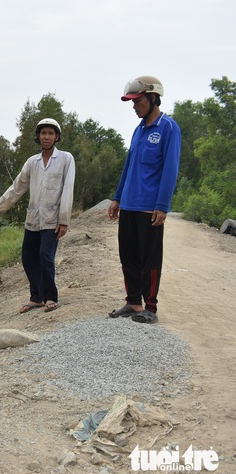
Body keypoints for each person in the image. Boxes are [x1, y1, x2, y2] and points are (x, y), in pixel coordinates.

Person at [0, 118, 75, 313]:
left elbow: (68, 189)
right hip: (33, 219)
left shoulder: (66, 159)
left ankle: (51, 297)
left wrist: (64, 220)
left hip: (52, 219)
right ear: (38, 137)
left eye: (50, 133)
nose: (46, 137)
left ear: (56, 136)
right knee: (28, 257)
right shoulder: (33, 162)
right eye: (43, 133)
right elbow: (17, 188)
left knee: (45, 256)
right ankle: (37, 297)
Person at [107, 76, 181, 324]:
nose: (134, 106)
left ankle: (150, 306)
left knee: (149, 259)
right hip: (128, 204)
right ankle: (133, 302)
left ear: (152, 98)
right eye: (132, 101)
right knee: (127, 256)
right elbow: (129, 166)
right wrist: (117, 198)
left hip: (149, 207)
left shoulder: (168, 128)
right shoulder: (138, 130)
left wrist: (162, 205)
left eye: (137, 101)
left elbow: (170, 169)